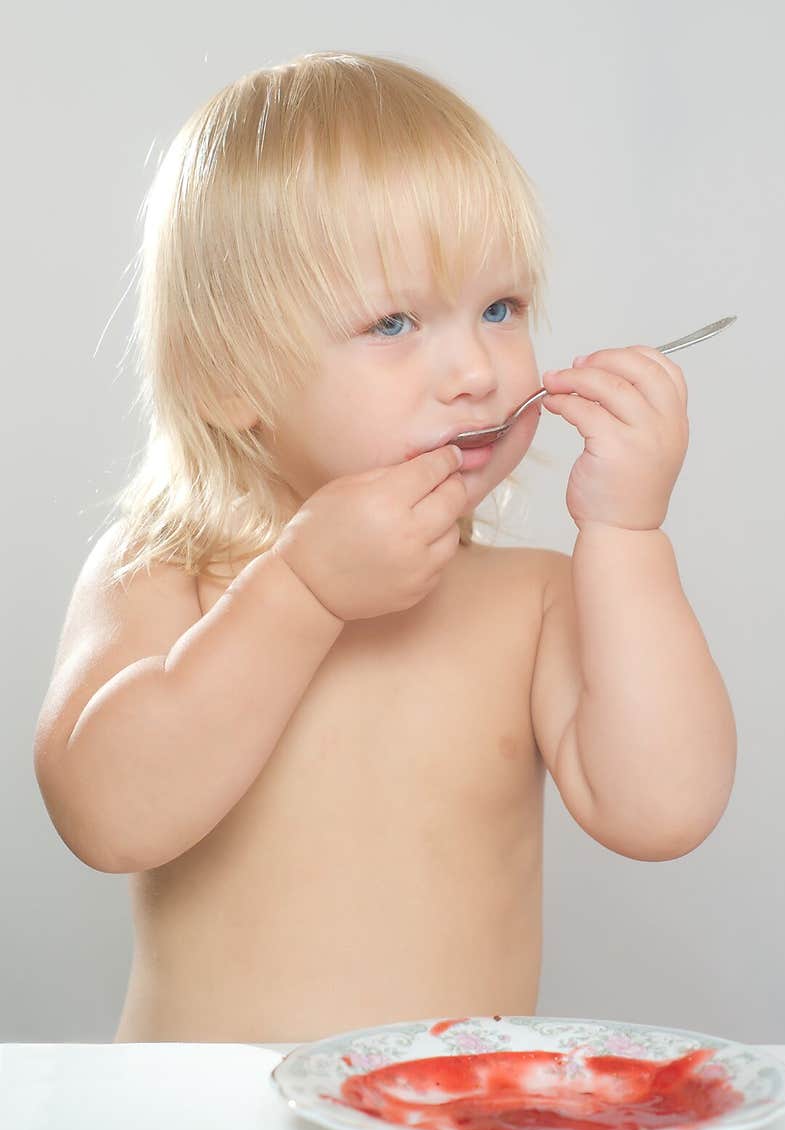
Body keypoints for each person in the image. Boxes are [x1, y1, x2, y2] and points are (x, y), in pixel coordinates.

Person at [32, 51, 737, 1044]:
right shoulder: (164, 566)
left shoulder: (529, 601)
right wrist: (302, 590)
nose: (474, 370)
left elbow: (663, 809)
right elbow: (106, 818)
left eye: (500, 308)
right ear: (232, 380)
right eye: (394, 321)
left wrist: (625, 533)